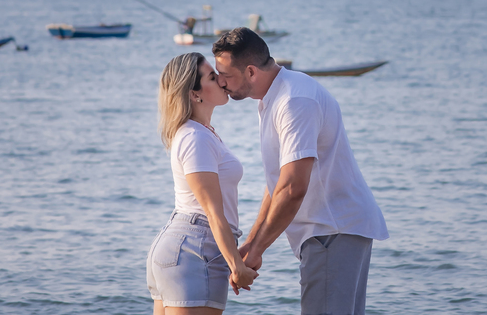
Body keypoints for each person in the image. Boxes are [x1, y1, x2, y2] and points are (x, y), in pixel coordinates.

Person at [212, 28, 388, 315]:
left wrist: (258, 251)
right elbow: (278, 184)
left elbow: (293, 188)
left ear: (252, 72)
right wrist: (252, 242)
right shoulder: (275, 97)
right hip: (333, 231)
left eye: (226, 76)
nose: (221, 82)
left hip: (333, 230)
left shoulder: (294, 101)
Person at [147, 52, 259, 315]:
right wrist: (235, 265)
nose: (222, 81)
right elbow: (212, 211)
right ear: (194, 94)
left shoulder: (199, 133)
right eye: (212, 77)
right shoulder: (196, 138)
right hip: (196, 250)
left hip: (184, 248)